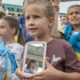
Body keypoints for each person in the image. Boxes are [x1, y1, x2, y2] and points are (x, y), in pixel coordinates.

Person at [16, 0, 80, 80]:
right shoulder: (27, 46)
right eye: (27, 18)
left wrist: (58, 75)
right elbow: (27, 71)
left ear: (50, 21)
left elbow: (77, 75)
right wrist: (19, 72)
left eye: (36, 17)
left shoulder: (63, 45)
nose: (30, 22)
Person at [0, 16, 24, 80]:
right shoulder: (1, 45)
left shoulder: (19, 48)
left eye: (2, 27)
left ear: (12, 30)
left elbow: (20, 67)